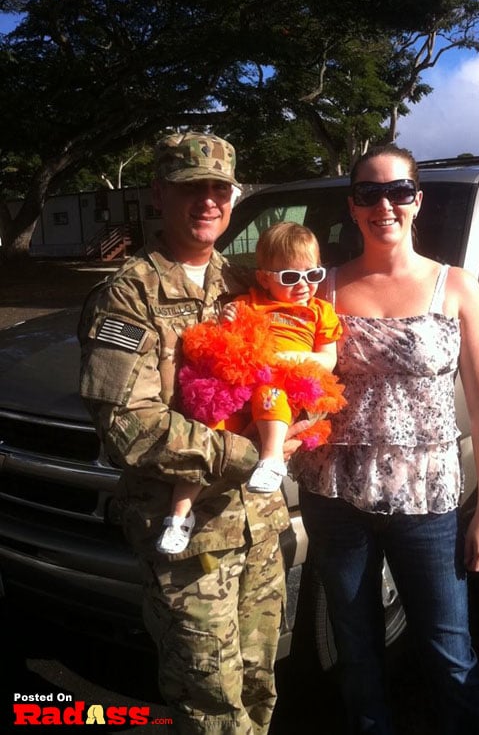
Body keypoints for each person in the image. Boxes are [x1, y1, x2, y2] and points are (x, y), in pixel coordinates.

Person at [78, 131, 308, 735]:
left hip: (258, 525)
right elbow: (131, 426)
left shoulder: (242, 283)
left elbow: (285, 363)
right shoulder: (129, 293)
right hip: (189, 542)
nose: (208, 201)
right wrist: (258, 450)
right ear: (160, 194)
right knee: (210, 703)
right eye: (190, 188)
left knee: (259, 684)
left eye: (219, 189)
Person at [293, 144, 479, 734]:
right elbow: (285, 374)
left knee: (448, 651)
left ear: (417, 200)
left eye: (398, 191)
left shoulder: (456, 288)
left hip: (429, 506)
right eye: (368, 193)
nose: (384, 205)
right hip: (333, 498)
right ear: (353, 207)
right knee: (356, 651)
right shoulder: (321, 289)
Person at [156, 221, 346, 554]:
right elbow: (233, 339)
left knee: (269, 391)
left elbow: (328, 359)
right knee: (207, 435)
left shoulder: (320, 312)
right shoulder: (251, 301)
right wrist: (227, 321)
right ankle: (178, 517)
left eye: (313, 275)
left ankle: (272, 459)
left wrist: (291, 356)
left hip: (288, 381)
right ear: (263, 278)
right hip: (245, 382)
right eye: (290, 277)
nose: (303, 285)